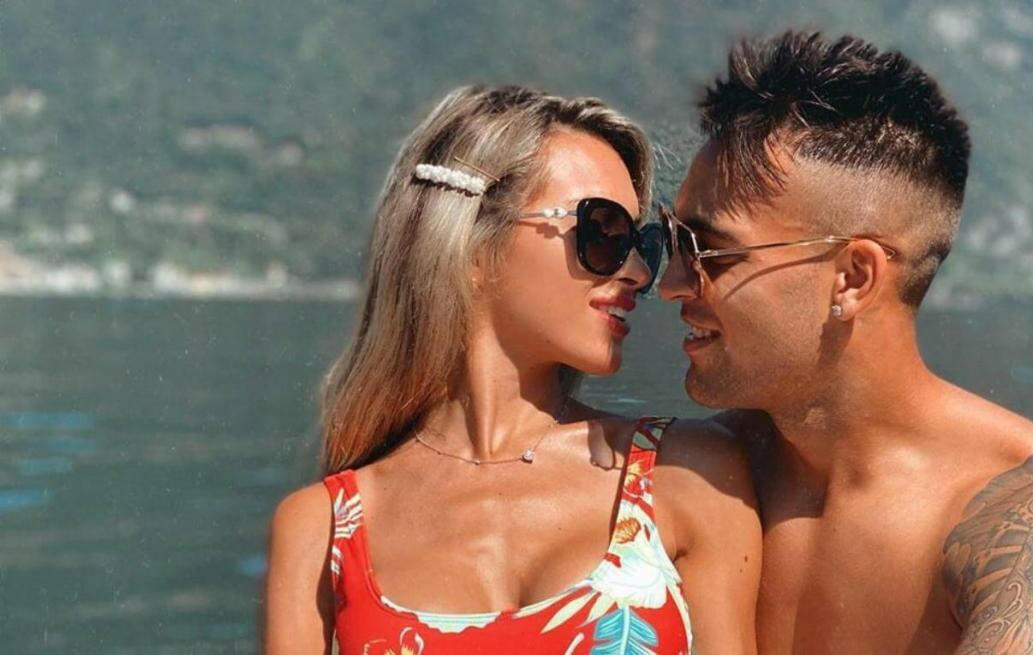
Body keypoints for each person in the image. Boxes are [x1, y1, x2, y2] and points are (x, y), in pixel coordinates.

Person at [657, 31, 1033, 653]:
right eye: (671, 241)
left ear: (854, 278)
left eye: (707, 251)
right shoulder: (689, 470)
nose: (670, 284)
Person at [263, 85, 761, 655]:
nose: (638, 272)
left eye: (641, 244)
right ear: (474, 247)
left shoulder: (686, 476)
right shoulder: (321, 530)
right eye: (604, 233)